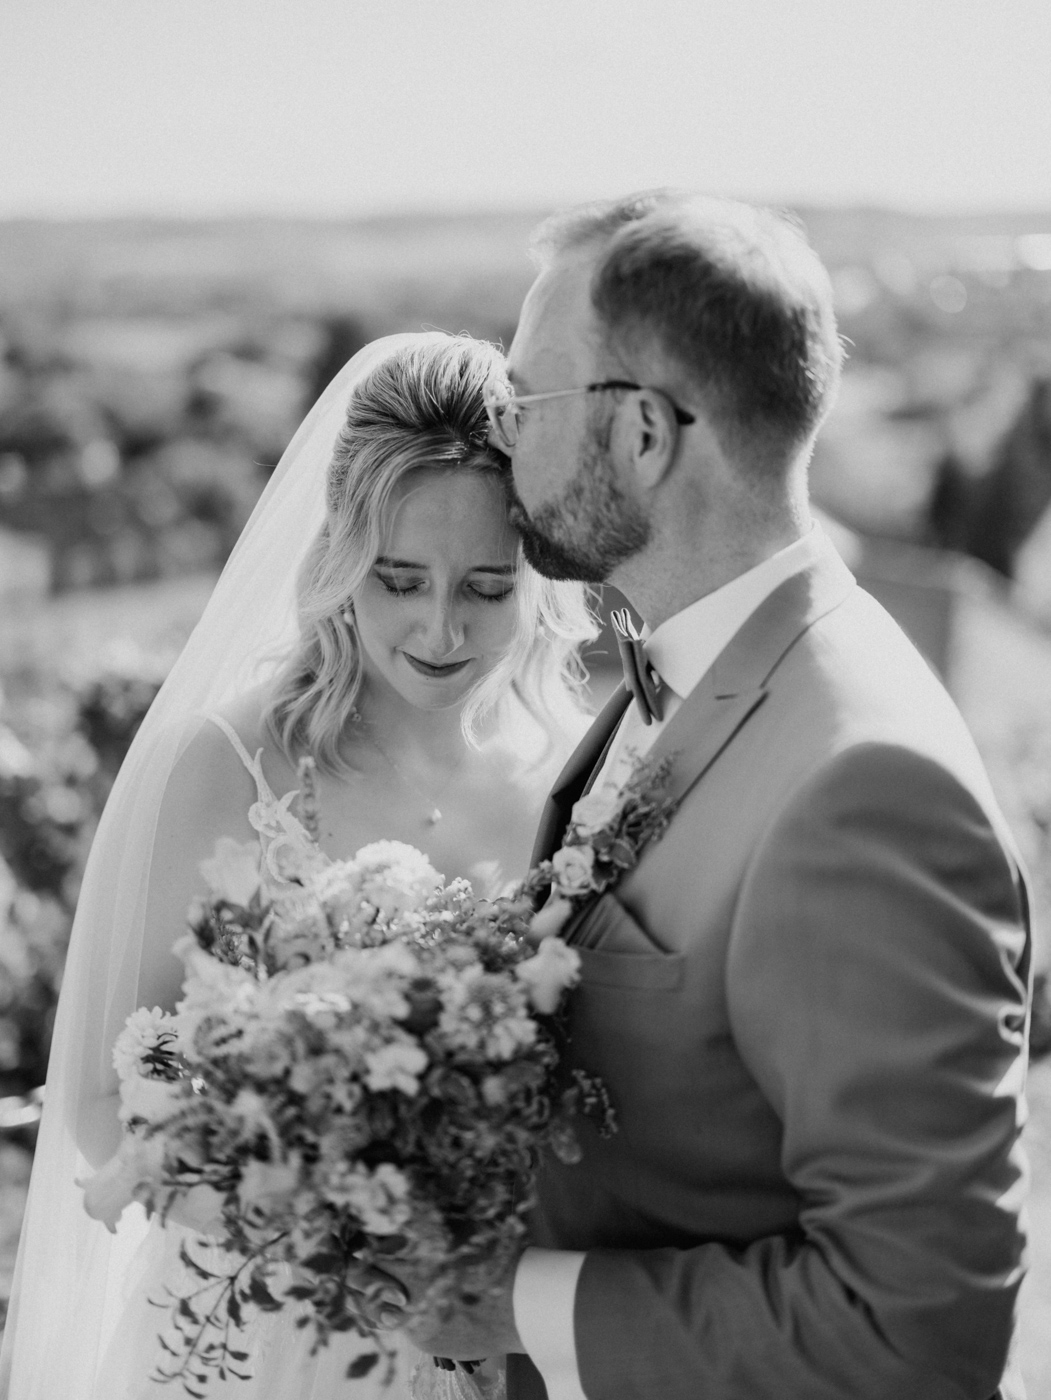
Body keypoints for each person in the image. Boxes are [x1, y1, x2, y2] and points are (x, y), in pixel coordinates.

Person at [404, 195, 1033, 1399]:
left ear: (640, 433)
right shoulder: (690, 664)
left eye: (521, 403)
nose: (498, 443)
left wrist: (510, 1300)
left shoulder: (863, 788)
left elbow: (914, 1334)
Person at [0, 331, 596, 1400]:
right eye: (399, 577)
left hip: (489, 1346)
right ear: (339, 556)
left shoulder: (570, 773)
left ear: (538, 580)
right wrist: (318, 1228)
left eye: (488, 586)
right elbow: (99, 1096)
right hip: (250, 1338)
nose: (441, 626)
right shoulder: (227, 764)